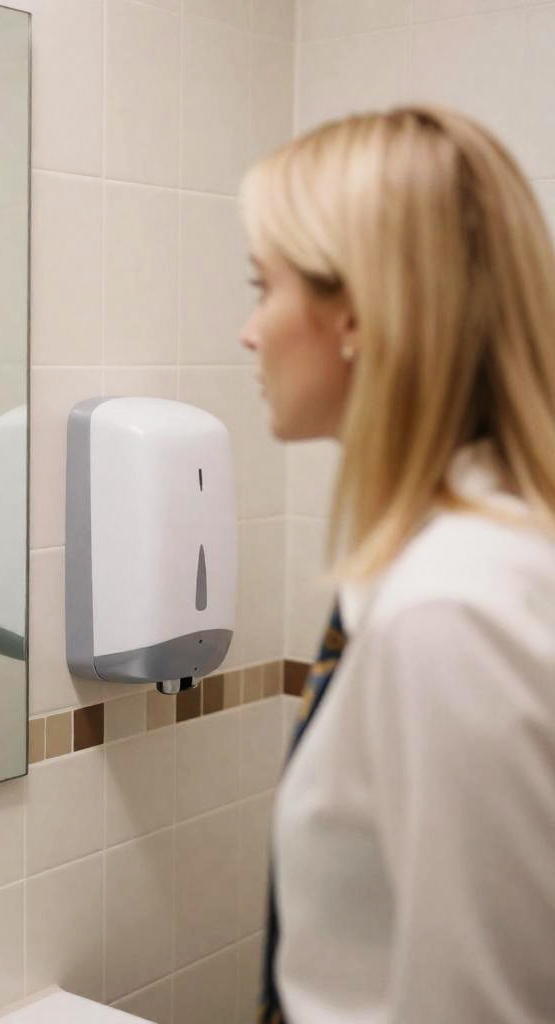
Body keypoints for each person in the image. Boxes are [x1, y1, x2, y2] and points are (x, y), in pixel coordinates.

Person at [240, 105, 555, 1022]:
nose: (250, 332)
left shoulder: (452, 610)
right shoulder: (462, 563)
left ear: (354, 313)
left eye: (263, 286)